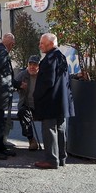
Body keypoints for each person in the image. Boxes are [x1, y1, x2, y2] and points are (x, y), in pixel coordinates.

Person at [33, 33, 74, 169]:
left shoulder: (50, 58)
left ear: (51, 44)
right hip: (61, 102)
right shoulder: (61, 56)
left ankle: (51, 160)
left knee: (49, 130)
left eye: (42, 43)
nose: (40, 45)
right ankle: (61, 158)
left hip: (50, 101)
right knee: (61, 129)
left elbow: (48, 81)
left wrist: (36, 94)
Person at [14, 54, 41, 151]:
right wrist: (19, 85)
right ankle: (31, 139)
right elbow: (12, 83)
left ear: (39, 66)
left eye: (35, 65)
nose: (32, 67)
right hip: (26, 105)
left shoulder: (42, 75)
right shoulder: (23, 74)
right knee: (22, 112)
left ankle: (51, 143)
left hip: (40, 106)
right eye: (30, 64)